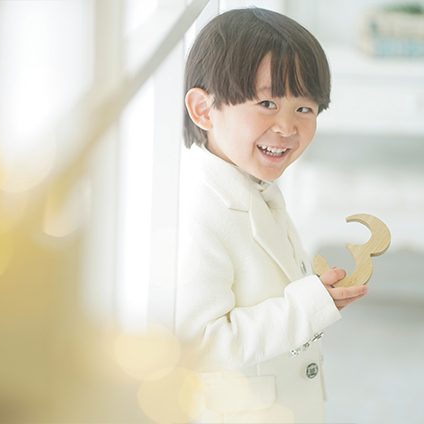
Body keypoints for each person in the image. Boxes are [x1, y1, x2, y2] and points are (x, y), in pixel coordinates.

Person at [175, 7, 368, 423]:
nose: (287, 127)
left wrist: (318, 295)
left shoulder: (255, 183)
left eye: (305, 109)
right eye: (267, 103)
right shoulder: (196, 210)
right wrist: (308, 307)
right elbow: (198, 343)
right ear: (204, 109)